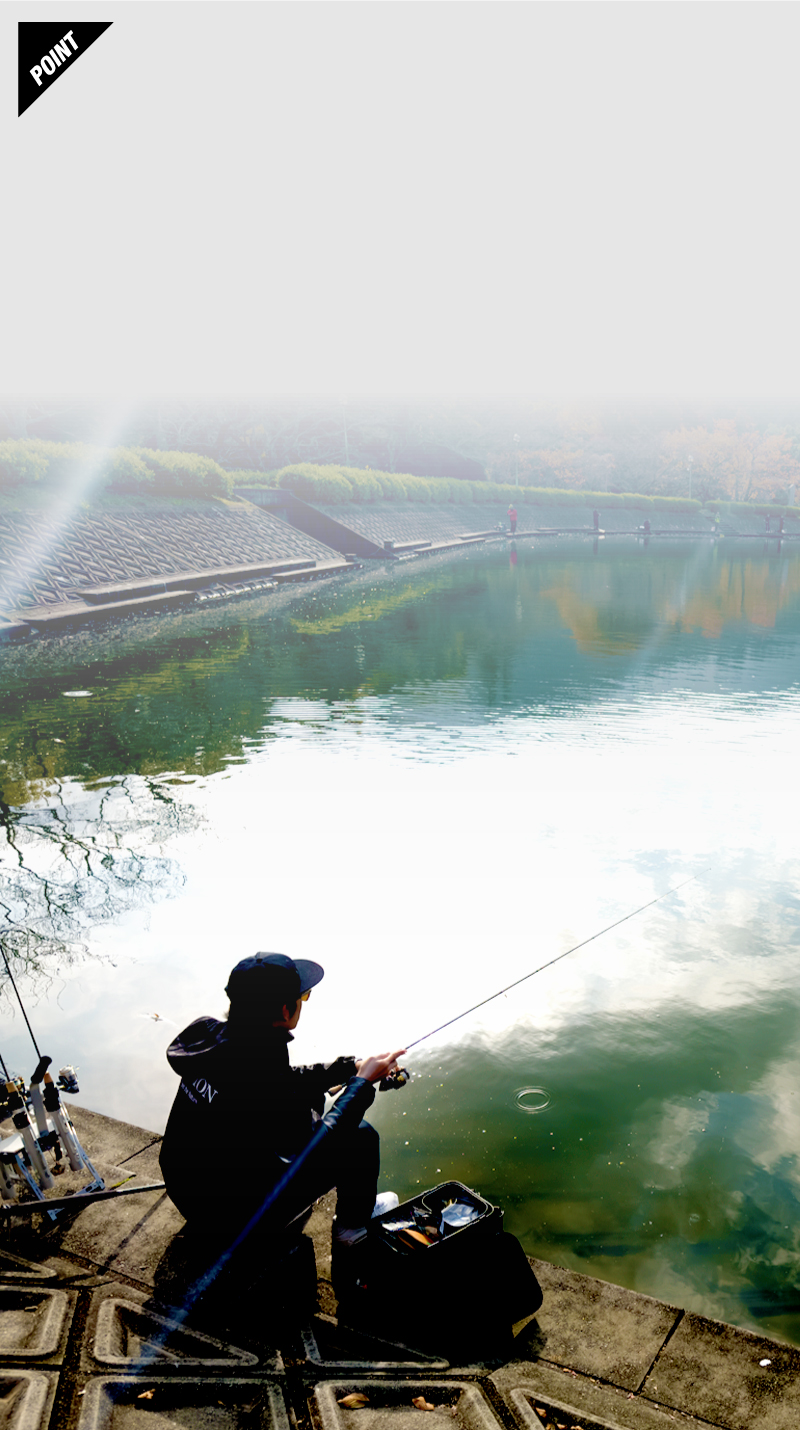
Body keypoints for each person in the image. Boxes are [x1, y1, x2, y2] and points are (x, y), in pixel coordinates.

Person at [159, 952, 405, 1289]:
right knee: (360, 1137)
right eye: (303, 996)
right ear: (286, 1011)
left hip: (189, 1194)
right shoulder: (257, 1064)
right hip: (230, 1221)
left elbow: (275, 1081)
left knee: (309, 1103)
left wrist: (348, 1068)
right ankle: (351, 1229)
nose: (304, 1002)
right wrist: (361, 1085)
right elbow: (319, 1145)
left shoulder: (213, 1039)